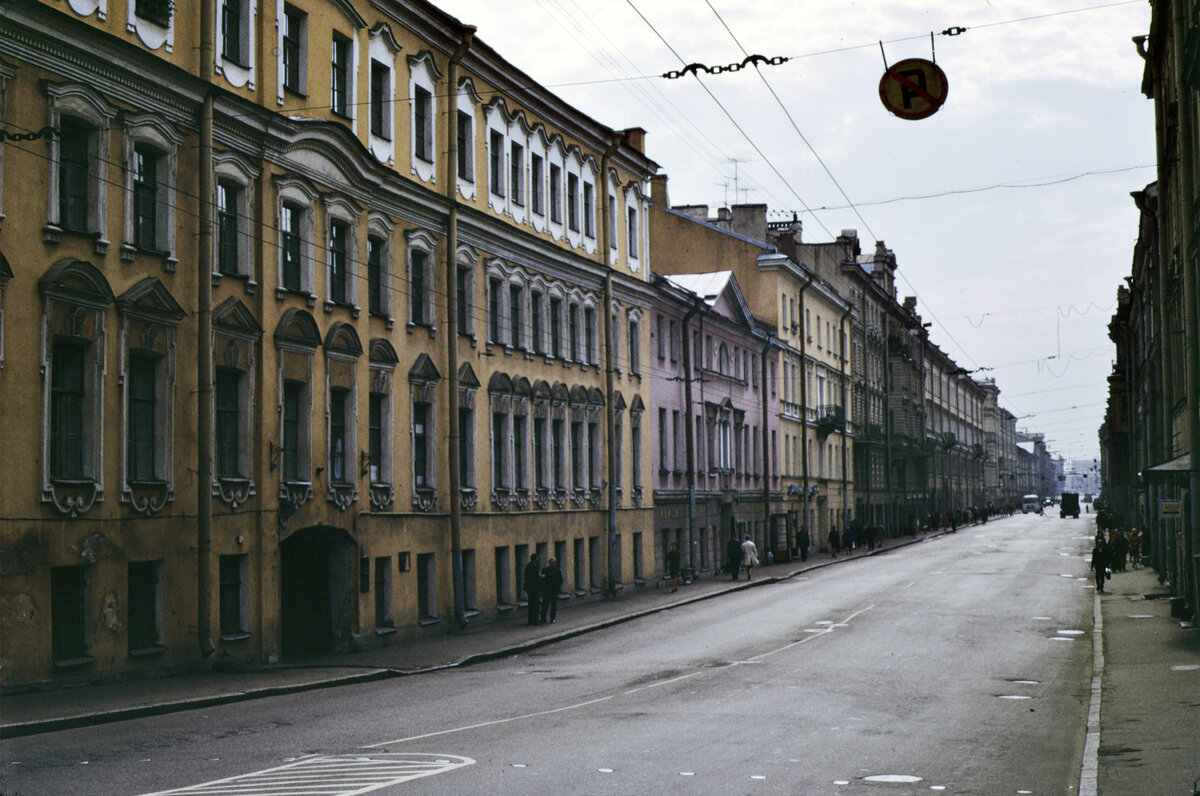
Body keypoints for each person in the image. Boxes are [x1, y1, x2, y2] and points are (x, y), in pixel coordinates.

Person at [539, 558, 563, 624]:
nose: (552, 564)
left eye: (554, 563)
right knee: (544, 605)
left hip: (554, 590)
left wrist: (558, 588)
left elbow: (560, 580)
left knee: (553, 605)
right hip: (547, 590)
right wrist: (543, 588)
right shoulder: (545, 570)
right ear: (549, 563)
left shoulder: (558, 571)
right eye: (551, 563)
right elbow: (542, 580)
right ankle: (543, 618)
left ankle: (552, 618)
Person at [523, 553, 542, 625]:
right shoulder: (532, 566)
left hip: (531, 588)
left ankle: (532, 620)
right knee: (534, 604)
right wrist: (540, 577)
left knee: (533, 604)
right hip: (533, 588)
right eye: (537, 558)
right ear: (535, 559)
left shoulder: (531, 565)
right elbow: (533, 577)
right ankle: (534, 620)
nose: (538, 559)